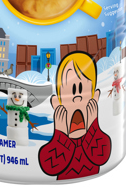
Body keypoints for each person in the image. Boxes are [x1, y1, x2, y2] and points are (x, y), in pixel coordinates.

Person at [38, 52, 111, 180]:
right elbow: (50, 166)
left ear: (95, 97)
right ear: (56, 103)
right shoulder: (59, 139)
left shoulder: (97, 137)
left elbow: (101, 157)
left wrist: (93, 126)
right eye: (71, 90)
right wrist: (60, 134)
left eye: (81, 89)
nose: (77, 97)